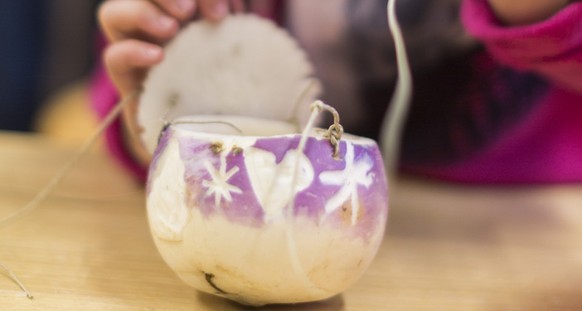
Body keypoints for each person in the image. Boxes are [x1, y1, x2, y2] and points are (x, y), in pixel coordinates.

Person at [95, 0, 582, 184]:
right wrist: (171, 126)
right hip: (274, 213)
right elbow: (132, 62)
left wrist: (540, 16)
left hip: (519, 218)